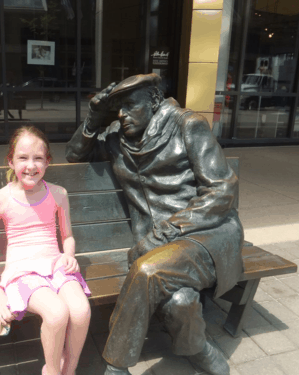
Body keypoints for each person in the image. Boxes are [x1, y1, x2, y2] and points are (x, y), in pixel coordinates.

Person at [65, 74, 244, 375]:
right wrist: (94, 119)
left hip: (205, 233)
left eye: (130, 106)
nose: (122, 115)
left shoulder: (188, 125)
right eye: (117, 109)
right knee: (181, 301)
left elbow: (222, 190)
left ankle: (115, 367)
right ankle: (198, 348)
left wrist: (164, 233)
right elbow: (72, 155)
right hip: (160, 247)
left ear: (154, 102)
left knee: (147, 271)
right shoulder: (116, 141)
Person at [0, 125, 92, 375]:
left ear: (48, 162)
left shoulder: (58, 194)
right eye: (22, 157)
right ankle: (51, 371)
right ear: (10, 161)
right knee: (56, 313)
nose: (30, 165)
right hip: (22, 273)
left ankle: (69, 370)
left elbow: (68, 236)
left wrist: (69, 254)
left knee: (81, 310)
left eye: (38, 158)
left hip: (56, 266)